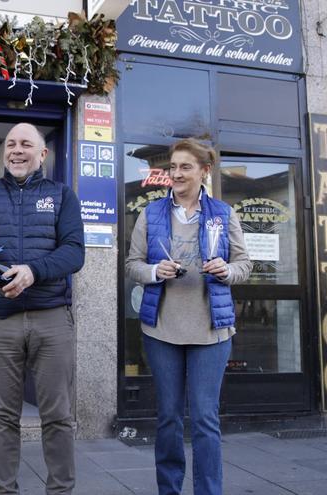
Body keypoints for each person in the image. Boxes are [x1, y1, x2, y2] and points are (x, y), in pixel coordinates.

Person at [0, 122, 85, 495]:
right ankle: (4, 490)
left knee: (58, 416)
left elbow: (74, 252)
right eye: (10, 143)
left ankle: (60, 490)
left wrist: (33, 272)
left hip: (52, 319)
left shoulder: (62, 196)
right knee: (2, 417)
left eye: (25, 144)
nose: (16, 150)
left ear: (41, 154)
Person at [124, 138, 251, 495]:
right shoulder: (151, 214)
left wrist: (226, 270)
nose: (176, 174)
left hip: (211, 333)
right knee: (167, 419)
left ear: (204, 172)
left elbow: (245, 264)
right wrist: (154, 272)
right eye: (173, 167)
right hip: (162, 330)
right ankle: (169, 490)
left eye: (185, 167)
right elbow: (133, 265)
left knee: (206, 420)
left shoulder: (223, 214)